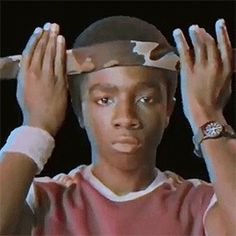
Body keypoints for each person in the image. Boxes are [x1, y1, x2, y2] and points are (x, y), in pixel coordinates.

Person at [0, 16, 235, 235]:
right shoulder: (41, 199)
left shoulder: (201, 203)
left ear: (168, 111)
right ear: (80, 110)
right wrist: (36, 124)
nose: (126, 117)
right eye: (105, 100)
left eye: (145, 99)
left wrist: (207, 114)